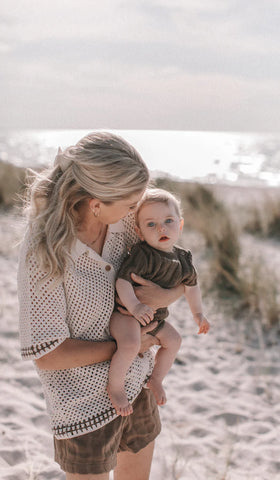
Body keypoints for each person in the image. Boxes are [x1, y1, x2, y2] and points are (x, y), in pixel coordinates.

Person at [17, 132, 185, 480]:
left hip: (137, 385)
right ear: (96, 203)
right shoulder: (44, 252)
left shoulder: (123, 221)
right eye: (129, 204)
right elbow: (48, 354)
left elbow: (173, 268)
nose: (136, 211)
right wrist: (128, 346)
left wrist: (167, 297)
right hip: (81, 405)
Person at [107, 188, 210, 416]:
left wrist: (198, 315)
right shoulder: (142, 254)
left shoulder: (183, 259)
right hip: (126, 314)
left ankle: (156, 379)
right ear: (140, 232)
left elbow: (191, 288)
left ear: (180, 225)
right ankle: (115, 388)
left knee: (174, 340)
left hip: (155, 316)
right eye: (151, 224)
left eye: (168, 221)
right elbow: (123, 283)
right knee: (131, 345)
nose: (161, 228)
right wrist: (134, 306)